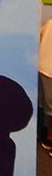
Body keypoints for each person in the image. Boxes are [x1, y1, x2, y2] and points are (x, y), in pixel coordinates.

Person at [39, 19, 52, 151]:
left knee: (44, 105)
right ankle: (49, 138)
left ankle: (46, 135)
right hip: (50, 70)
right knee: (50, 109)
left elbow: (39, 35)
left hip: (42, 67)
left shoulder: (50, 22)